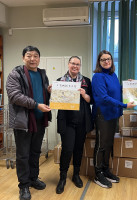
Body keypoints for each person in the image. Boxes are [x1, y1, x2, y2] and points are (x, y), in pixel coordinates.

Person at [6, 46, 52, 200]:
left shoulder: (42, 74)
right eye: (29, 56)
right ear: (23, 58)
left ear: (39, 58)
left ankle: (33, 178)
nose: (33, 59)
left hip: (39, 120)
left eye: (36, 56)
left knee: (35, 153)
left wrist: (50, 91)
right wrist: (36, 105)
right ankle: (24, 185)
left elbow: (43, 92)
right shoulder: (16, 74)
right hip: (23, 121)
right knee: (23, 155)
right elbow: (14, 96)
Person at [92, 50, 135, 188]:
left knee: (109, 144)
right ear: (99, 62)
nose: (106, 61)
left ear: (112, 61)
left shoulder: (113, 74)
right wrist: (124, 105)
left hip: (113, 114)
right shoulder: (98, 76)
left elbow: (116, 90)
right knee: (101, 145)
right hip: (103, 114)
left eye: (109, 59)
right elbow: (104, 97)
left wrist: (128, 86)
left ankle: (105, 170)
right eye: (103, 59)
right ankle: (98, 174)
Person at [56, 56, 93, 194]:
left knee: (78, 149)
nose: (75, 66)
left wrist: (84, 95)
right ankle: (62, 177)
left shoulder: (86, 81)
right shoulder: (60, 81)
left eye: (78, 64)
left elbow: (91, 100)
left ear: (80, 66)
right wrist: (52, 92)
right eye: (73, 63)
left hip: (82, 122)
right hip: (67, 122)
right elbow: (56, 101)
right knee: (67, 149)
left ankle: (76, 174)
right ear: (68, 64)